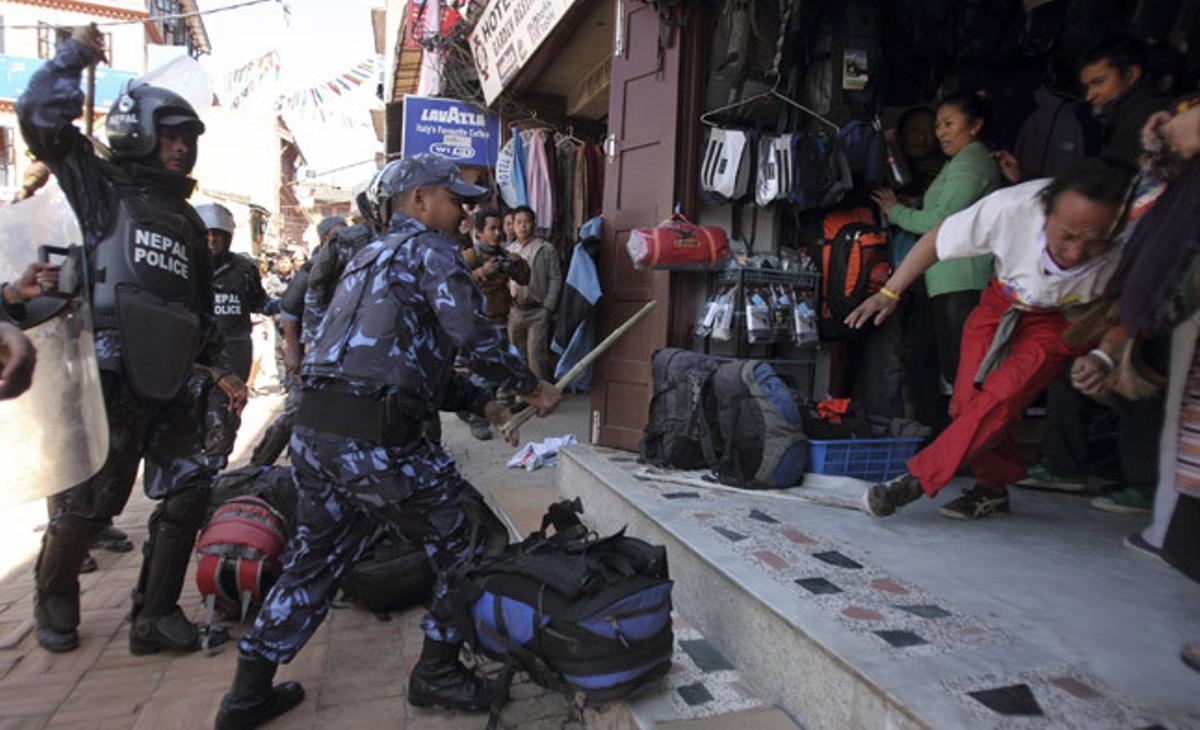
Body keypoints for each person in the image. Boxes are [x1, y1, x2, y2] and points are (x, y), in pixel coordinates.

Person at [214, 154, 561, 728]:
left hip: (318, 433)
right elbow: (471, 334)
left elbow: (399, 359)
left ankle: (245, 695)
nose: (465, 213)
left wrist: (482, 402)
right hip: (374, 443)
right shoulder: (430, 249)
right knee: (470, 540)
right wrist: (530, 385)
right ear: (419, 200)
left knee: (315, 559)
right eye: (454, 200)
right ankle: (437, 672)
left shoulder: (367, 258)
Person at [16, 24, 247, 654]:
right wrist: (72, 55)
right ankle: (54, 591)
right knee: (93, 504)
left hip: (171, 376)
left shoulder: (186, 220)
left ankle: (154, 615)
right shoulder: (101, 187)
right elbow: (39, 117)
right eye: (170, 135)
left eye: (187, 138)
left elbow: (199, 310)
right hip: (109, 373)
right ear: (137, 129)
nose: (180, 148)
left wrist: (223, 370)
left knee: (189, 489)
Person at [849, 157, 1137, 521]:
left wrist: (1105, 356)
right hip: (1001, 301)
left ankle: (916, 481)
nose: (1076, 252)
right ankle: (993, 487)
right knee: (965, 402)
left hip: (1064, 321)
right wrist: (889, 293)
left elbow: (1132, 309)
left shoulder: (1137, 238)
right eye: (1066, 235)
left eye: (1095, 242)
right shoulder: (1011, 208)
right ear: (1045, 211)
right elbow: (938, 239)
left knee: (1002, 396)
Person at [873, 92, 1002, 431]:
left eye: (948, 124)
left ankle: (966, 440)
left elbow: (940, 222)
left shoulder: (971, 164)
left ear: (975, 126)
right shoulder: (960, 162)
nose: (940, 133)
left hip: (962, 280)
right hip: (947, 279)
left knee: (960, 372)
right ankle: (946, 437)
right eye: (938, 125)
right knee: (938, 363)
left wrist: (896, 212)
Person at [249, 216, 345, 466]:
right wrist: (292, 350)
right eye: (339, 234)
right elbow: (289, 309)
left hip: (336, 355)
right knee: (296, 410)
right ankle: (259, 464)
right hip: (307, 353)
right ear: (326, 238)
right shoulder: (312, 269)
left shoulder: (350, 263)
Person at [458, 208, 531, 439]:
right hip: (477, 324)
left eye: (500, 228)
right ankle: (478, 420)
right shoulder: (470, 257)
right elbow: (454, 285)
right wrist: (482, 272)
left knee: (493, 372)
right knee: (484, 373)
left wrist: (518, 264)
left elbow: (524, 279)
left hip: (501, 321)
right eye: (492, 229)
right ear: (479, 232)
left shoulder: (504, 254)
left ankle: (470, 408)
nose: (498, 233)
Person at [1079, 34, 1167, 164]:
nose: (1089, 96)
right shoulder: (1118, 118)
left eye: (1098, 82)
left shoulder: (1151, 118)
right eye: (1087, 87)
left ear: (1131, 74)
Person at [507, 205, 562, 380]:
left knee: (536, 355)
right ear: (513, 225)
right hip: (515, 310)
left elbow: (555, 278)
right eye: (518, 222)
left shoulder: (545, 249)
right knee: (516, 355)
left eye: (527, 222)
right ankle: (521, 392)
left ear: (534, 224)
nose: (523, 226)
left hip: (538, 310)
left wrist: (548, 307)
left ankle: (539, 391)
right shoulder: (509, 250)